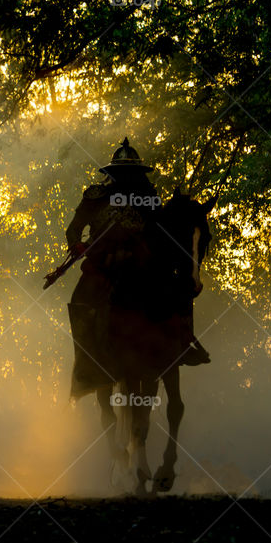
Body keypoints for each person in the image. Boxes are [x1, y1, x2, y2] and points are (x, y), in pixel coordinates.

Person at [65, 138, 209, 401]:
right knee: (83, 300)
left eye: (132, 173)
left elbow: (160, 230)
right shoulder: (96, 196)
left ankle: (182, 343)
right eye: (123, 173)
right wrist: (77, 245)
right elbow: (74, 228)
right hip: (103, 262)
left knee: (175, 290)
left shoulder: (148, 196)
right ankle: (86, 363)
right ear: (113, 174)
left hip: (142, 260)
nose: (128, 178)